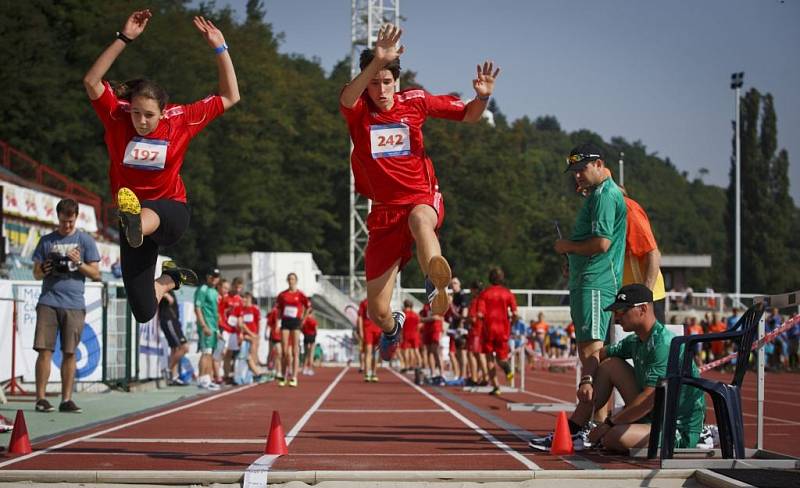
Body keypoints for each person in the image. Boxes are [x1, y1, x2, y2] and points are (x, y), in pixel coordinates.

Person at [339, 24, 500, 362]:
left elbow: (469, 115)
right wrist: (376, 60)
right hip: (384, 212)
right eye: (374, 83)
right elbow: (346, 97)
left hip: (420, 197)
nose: (381, 90)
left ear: (396, 82)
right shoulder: (359, 112)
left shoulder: (415, 101)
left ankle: (435, 283)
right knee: (376, 311)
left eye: (387, 82)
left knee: (419, 220)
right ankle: (391, 329)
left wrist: (483, 96)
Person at [83, 9, 240, 324]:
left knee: (143, 216)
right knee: (143, 311)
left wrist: (220, 48)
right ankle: (169, 279)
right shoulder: (117, 116)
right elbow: (91, 80)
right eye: (137, 113)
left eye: (149, 116)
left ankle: (136, 221)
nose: (141, 122)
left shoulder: (180, 119)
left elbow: (230, 96)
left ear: (162, 112)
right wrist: (124, 37)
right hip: (134, 229)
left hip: (170, 212)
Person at [529, 284, 705, 452]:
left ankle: (703, 435)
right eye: (615, 311)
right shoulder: (636, 340)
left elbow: (648, 401)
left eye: (622, 310)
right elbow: (596, 355)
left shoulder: (662, 345)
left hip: (676, 427)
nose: (617, 316)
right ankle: (573, 429)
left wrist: (609, 424)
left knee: (613, 437)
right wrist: (586, 380)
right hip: (654, 413)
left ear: (643, 309)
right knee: (610, 365)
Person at [555, 143, 626, 409]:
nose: (577, 176)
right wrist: (573, 261)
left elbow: (602, 244)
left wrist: (567, 247)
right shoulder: (598, 194)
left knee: (592, 351)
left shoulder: (604, 195)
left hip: (596, 282)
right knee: (587, 351)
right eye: (573, 171)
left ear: (599, 164)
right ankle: (593, 423)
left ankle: (588, 422)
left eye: (581, 169)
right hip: (586, 279)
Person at [32, 199, 101, 413]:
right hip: (48, 301)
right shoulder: (46, 241)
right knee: (44, 350)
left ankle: (66, 399)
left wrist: (78, 263)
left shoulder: (85, 241)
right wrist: (45, 268)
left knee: (70, 352)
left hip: (74, 302)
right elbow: (35, 273)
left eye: (70, 222)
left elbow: (96, 274)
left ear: (76, 218)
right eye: (63, 221)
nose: (67, 226)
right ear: (58, 217)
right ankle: (41, 398)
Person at [478, 267, 518, 395]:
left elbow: (480, 314)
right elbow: (515, 313)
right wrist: (512, 323)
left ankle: (496, 387)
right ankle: (507, 368)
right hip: (503, 329)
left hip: (489, 329)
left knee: (490, 359)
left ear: (490, 278)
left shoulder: (484, 294)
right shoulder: (508, 293)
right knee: (502, 358)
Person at [276, 273, 311, 387]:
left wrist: (303, 320)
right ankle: (283, 374)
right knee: (285, 351)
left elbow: (308, 306)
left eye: (293, 279)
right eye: (289, 279)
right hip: (285, 322)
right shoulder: (282, 295)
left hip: (296, 322)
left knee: (295, 351)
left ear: (296, 281)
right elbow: (279, 309)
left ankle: (294, 377)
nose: (291, 281)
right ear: (287, 281)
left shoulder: (300, 294)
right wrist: (277, 321)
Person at [194, 269, 221, 390]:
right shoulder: (203, 289)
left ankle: (207, 378)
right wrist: (203, 325)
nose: (215, 279)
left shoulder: (214, 291)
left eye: (217, 277)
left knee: (210, 353)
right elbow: (198, 308)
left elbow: (215, 312)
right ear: (208, 277)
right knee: (206, 352)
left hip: (213, 327)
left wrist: (218, 329)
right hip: (207, 326)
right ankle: (202, 378)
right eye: (213, 276)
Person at [158, 290, 189, 385]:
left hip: (173, 320)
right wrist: (165, 294)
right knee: (185, 347)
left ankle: (174, 377)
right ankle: (168, 369)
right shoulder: (163, 286)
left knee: (174, 348)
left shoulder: (170, 288)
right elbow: (167, 299)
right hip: (169, 320)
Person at [219, 277, 244, 382]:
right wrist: (220, 326)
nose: (238, 290)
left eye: (240, 288)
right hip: (225, 328)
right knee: (222, 351)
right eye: (236, 287)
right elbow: (220, 312)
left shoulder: (239, 299)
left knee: (230, 353)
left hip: (234, 330)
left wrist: (241, 332)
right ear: (233, 286)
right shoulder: (225, 297)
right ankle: (218, 374)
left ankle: (227, 375)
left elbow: (240, 316)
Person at [358, 297, 383, 382]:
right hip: (367, 329)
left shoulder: (380, 300)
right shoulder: (364, 302)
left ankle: (374, 373)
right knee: (368, 352)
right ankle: (367, 373)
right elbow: (360, 317)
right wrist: (361, 331)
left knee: (375, 353)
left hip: (378, 329)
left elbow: (384, 316)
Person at [400, 300, 422, 373]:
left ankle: (407, 365)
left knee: (405, 351)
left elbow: (400, 326)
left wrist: (400, 336)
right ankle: (419, 365)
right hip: (415, 334)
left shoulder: (403, 314)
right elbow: (419, 325)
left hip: (406, 334)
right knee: (416, 350)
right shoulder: (416, 315)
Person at [301, 311, 319, 376]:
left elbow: (301, 329)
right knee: (311, 354)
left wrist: (305, 333)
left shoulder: (304, 321)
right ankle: (310, 369)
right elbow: (316, 330)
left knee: (306, 354)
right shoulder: (313, 320)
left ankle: (304, 368)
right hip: (312, 337)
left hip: (306, 336)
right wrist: (314, 335)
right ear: (311, 313)